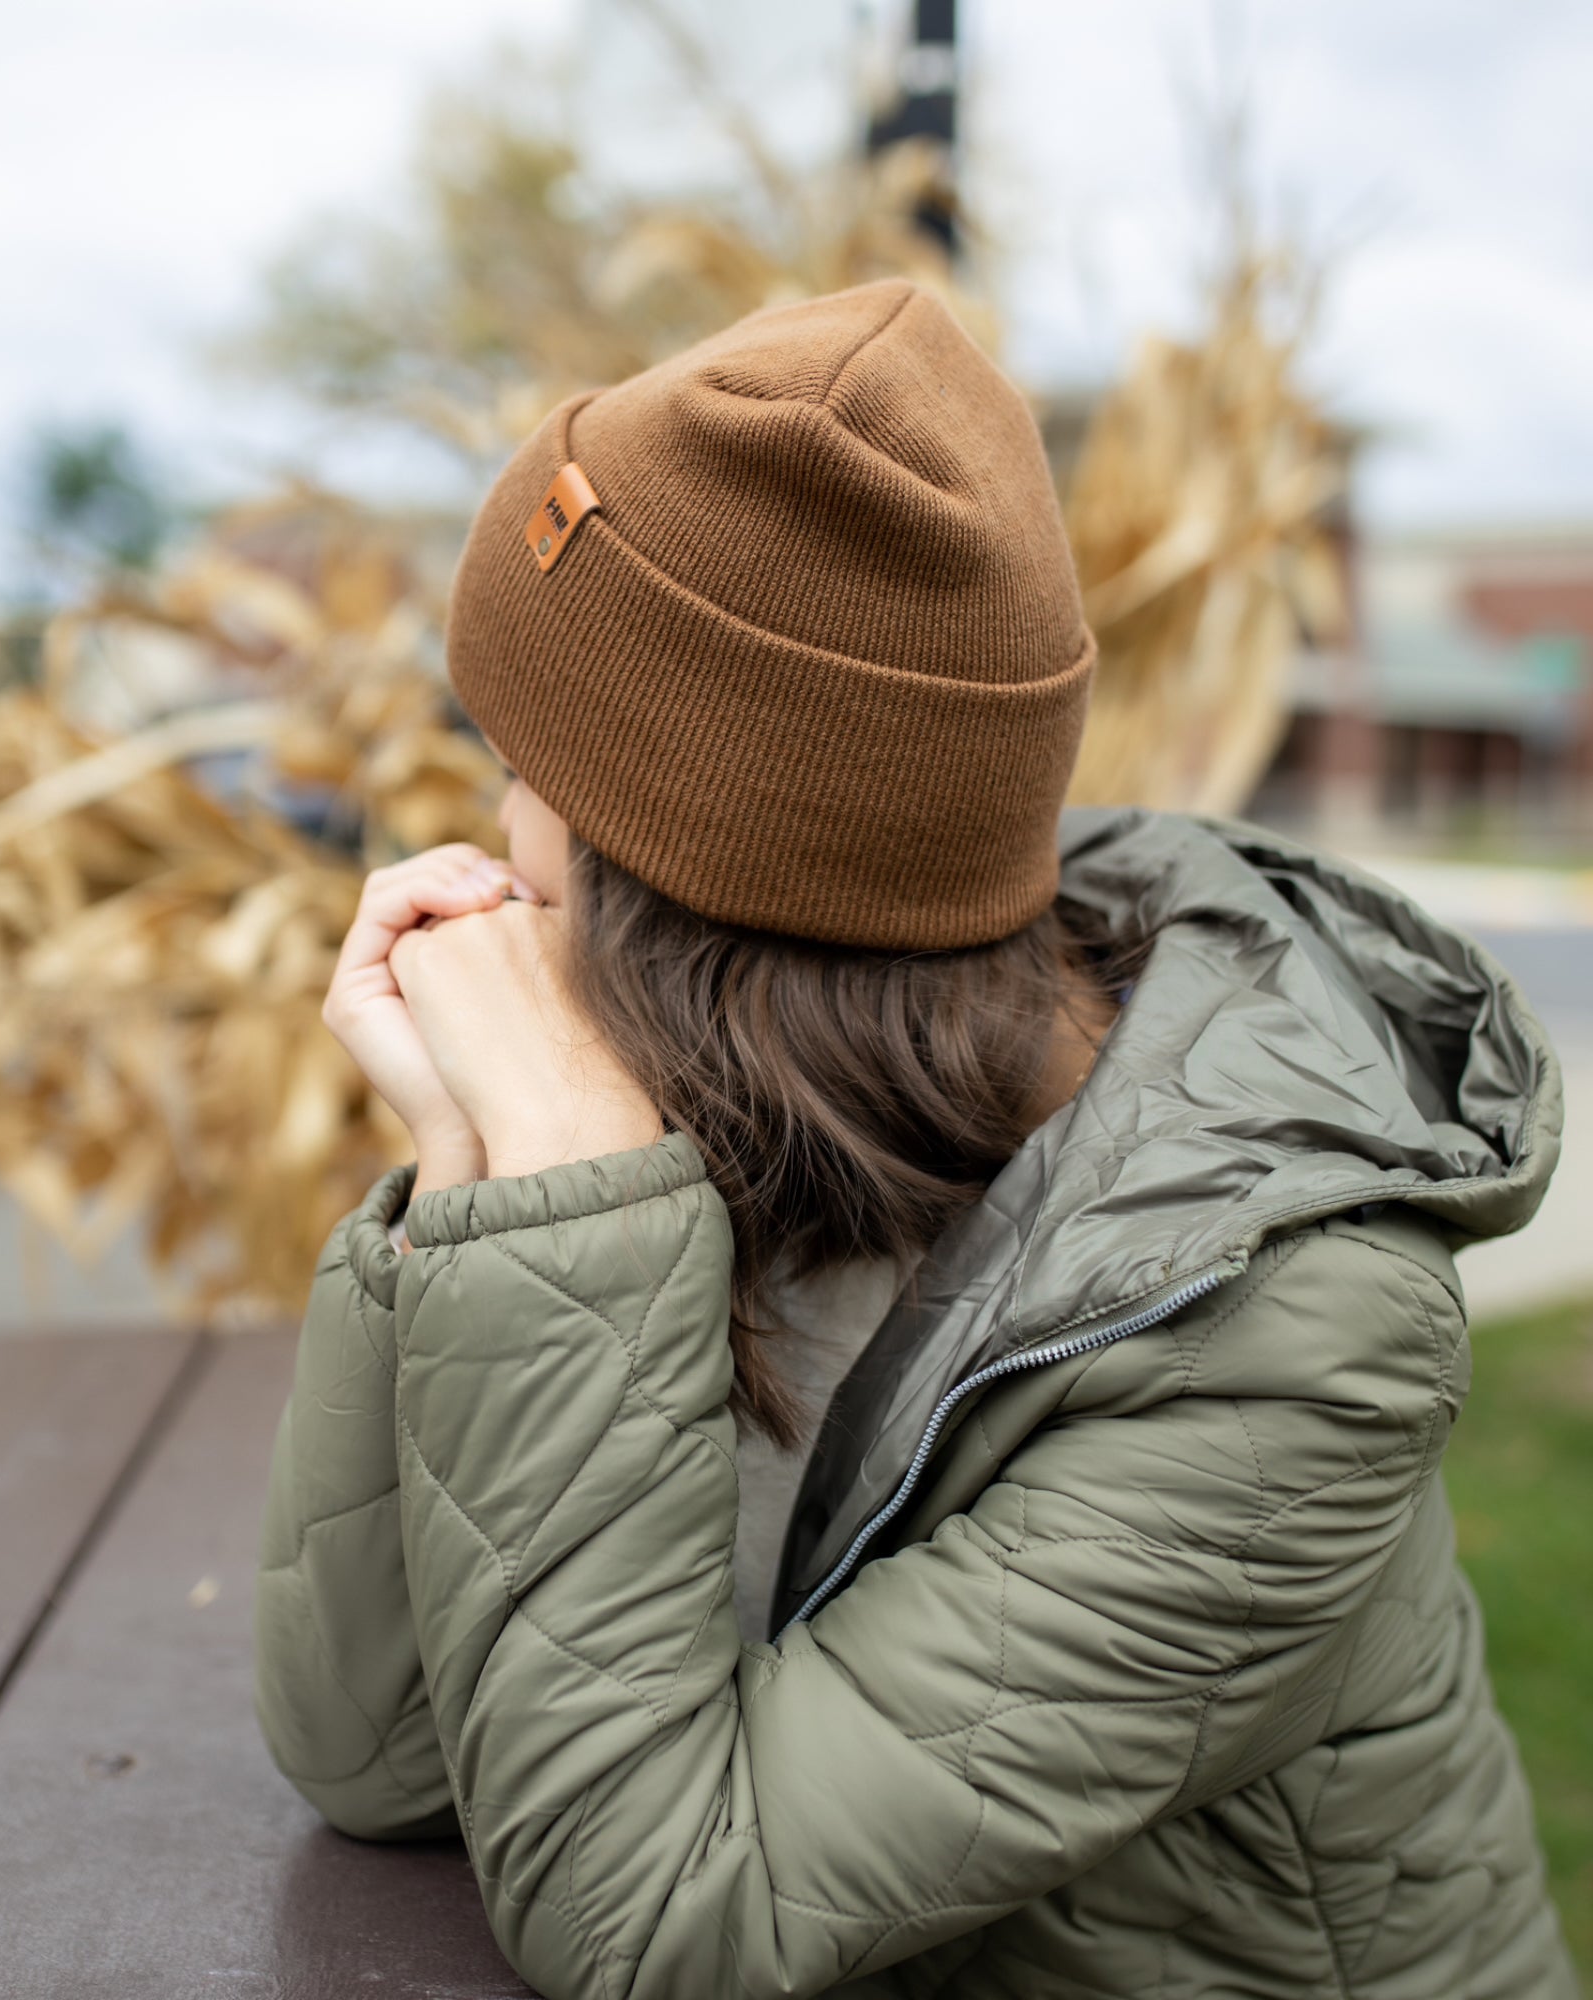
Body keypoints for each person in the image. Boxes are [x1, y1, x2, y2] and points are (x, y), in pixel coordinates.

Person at [252, 279, 1577, 1999]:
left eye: (528, 770)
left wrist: (574, 1195)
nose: (495, 833)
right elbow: (379, 1759)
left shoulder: (1280, 1345)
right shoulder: (724, 1104)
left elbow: (654, 1922)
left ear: (693, 881)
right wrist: (465, 1170)